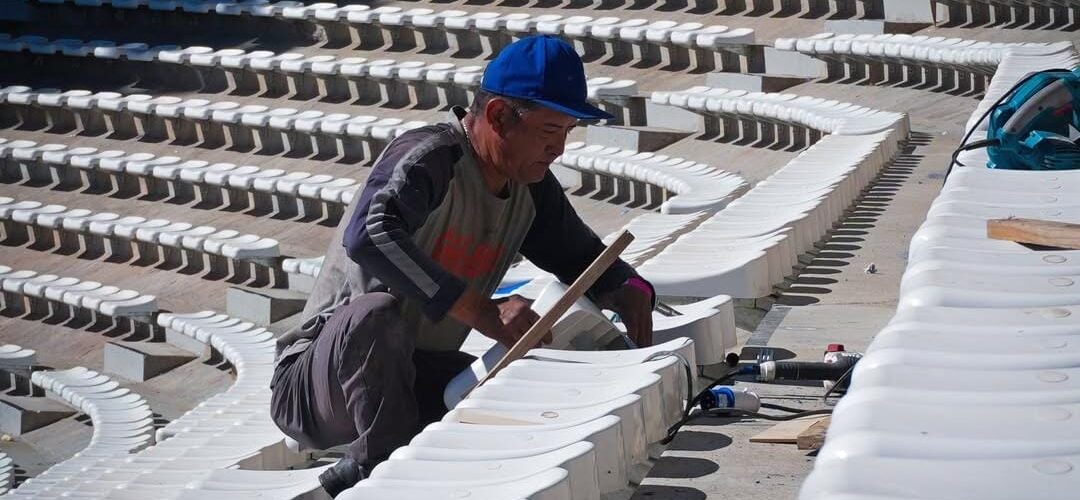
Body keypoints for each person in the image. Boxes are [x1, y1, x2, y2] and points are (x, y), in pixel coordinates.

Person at [270, 35, 656, 497]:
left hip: (413, 377)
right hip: (314, 387)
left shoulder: (529, 185)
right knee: (374, 314)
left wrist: (630, 286)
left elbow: (583, 259)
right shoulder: (430, 157)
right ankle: (372, 474)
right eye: (550, 131)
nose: (559, 150)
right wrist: (484, 312)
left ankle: (383, 463)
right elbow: (369, 235)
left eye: (568, 133)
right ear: (497, 116)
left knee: (502, 393)